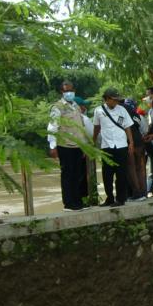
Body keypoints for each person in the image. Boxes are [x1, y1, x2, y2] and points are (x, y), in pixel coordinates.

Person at [47, 80, 88, 211]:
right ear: (62, 92)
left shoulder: (76, 106)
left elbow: (81, 125)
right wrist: (52, 146)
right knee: (67, 174)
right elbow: (53, 126)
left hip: (77, 145)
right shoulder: (57, 107)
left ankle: (78, 201)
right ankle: (69, 203)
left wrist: (84, 146)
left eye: (70, 90)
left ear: (74, 90)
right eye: (66, 91)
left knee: (77, 174)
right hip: (64, 145)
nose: (68, 93)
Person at [92, 88, 134, 206]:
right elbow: (96, 127)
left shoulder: (122, 110)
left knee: (121, 174)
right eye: (114, 99)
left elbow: (127, 127)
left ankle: (120, 199)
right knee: (107, 175)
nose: (116, 102)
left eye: (117, 100)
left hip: (121, 146)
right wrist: (93, 141)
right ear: (107, 99)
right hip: (106, 146)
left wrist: (131, 142)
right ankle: (109, 198)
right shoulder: (98, 111)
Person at [122, 98, 148, 201]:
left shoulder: (120, 110)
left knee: (131, 168)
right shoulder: (134, 113)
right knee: (140, 168)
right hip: (140, 143)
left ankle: (137, 193)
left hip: (130, 143)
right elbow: (143, 128)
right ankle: (143, 193)